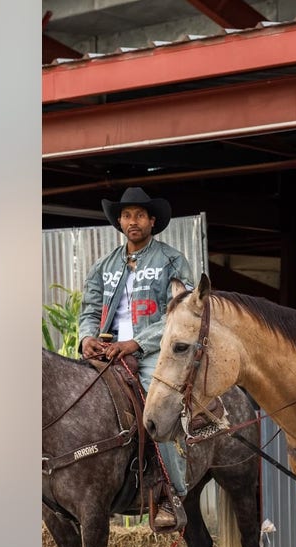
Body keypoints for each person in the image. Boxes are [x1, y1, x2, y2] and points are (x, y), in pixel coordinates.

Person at [78, 187, 194, 526]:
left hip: (155, 353)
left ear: (152, 221)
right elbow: (90, 310)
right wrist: (86, 338)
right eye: (127, 215)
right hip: (107, 352)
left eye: (140, 215)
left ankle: (173, 493)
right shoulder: (103, 266)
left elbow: (182, 315)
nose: (133, 221)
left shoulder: (171, 261)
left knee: (161, 408)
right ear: (119, 221)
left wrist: (136, 343)